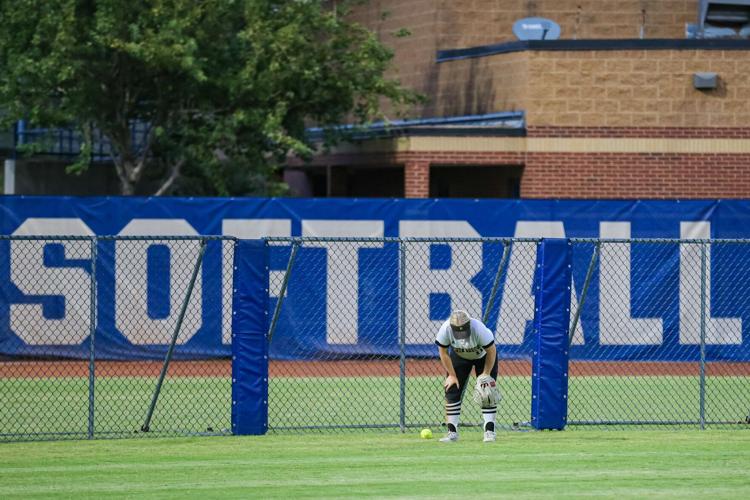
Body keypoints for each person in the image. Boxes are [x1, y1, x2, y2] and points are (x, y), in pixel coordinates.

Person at [435, 309, 498, 443]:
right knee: (451, 389)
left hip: (483, 357)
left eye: (463, 330)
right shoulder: (445, 329)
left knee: (487, 391)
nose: (461, 334)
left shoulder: (478, 329)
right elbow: (443, 352)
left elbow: (491, 351)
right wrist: (452, 375)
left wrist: (485, 374)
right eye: (458, 331)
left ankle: (489, 431)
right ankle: (452, 433)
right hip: (460, 357)